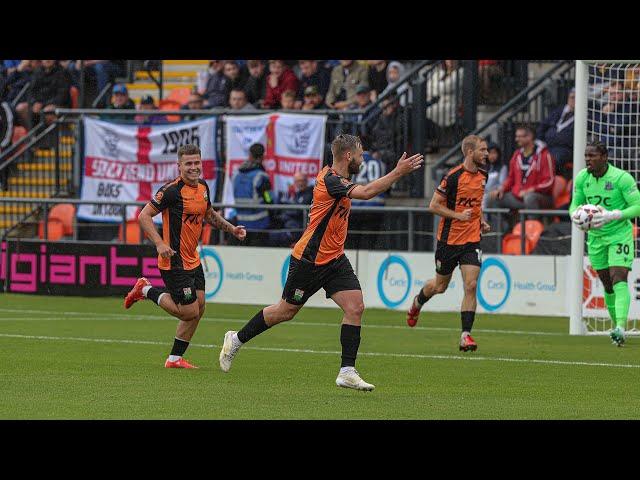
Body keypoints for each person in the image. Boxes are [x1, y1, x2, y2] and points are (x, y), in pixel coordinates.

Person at [218, 134, 424, 391]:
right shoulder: (330, 180)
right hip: (309, 259)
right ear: (348, 156)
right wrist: (398, 172)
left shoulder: (339, 179)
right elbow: (368, 192)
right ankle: (236, 339)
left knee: (355, 307)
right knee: (285, 311)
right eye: (360, 155)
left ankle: (347, 371)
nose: (362, 159)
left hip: (335, 258)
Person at [124, 144, 246, 368]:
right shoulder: (171, 190)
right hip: (174, 260)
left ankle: (174, 359)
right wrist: (160, 244)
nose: (193, 167)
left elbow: (209, 214)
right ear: (179, 166)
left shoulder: (203, 187)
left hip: (193, 258)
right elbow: (144, 216)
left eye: (196, 163)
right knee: (189, 311)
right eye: (188, 163)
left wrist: (232, 229)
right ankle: (144, 289)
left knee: (199, 308)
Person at [406, 135, 490, 351]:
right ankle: (417, 303)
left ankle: (465, 335)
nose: (486, 154)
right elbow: (433, 206)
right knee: (440, 286)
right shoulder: (452, 177)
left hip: (472, 240)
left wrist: (481, 221)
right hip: (448, 241)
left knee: (471, 285)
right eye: (483, 150)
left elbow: (476, 205)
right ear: (470, 152)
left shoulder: (483, 175)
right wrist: (458, 216)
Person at [569, 140, 640, 347]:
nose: (587, 159)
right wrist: (575, 215)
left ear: (604, 157)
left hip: (619, 234)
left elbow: (638, 206)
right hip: (596, 238)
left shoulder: (621, 178)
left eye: (592, 156)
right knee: (607, 284)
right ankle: (615, 328)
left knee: (618, 278)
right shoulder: (582, 178)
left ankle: (620, 327)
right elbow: (575, 203)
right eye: (586, 156)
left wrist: (613, 215)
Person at [488, 125, 555, 212]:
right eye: (517, 136)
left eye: (520, 137)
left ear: (529, 137)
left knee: (530, 198)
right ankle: (504, 225)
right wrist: (501, 189)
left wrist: (532, 189)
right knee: (493, 197)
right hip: (518, 195)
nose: (516, 139)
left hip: (541, 196)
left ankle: (532, 225)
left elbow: (549, 181)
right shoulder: (517, 155)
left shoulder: (545, 155)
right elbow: (511, 178)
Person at [231, 143, 273, 246]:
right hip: (259, 225)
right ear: (263, 156)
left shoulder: (236, 174)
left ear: (249, 155)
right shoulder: (261, 176)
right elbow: (268, 198)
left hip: (240, 224)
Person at [537, 88, 575, 179]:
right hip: (547, 145)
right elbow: (543, 125)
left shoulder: (585, 114)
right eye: (571, 97)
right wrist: (540, 141)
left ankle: (548, 180)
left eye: (576, 98)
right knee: (534, 157)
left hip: (565, 148)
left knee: (553, 159)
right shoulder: (559, 111)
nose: (573, 100)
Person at [482, 142, 507, 210]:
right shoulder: (484, 168)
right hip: (484, 193)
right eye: (490, 153)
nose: (492, 155)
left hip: (495, 193)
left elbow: (502, 183)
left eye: (494, 153)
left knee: (485, 198)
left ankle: (483, 219)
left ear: (498, 154)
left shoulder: (502, 168)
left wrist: (497, 190)